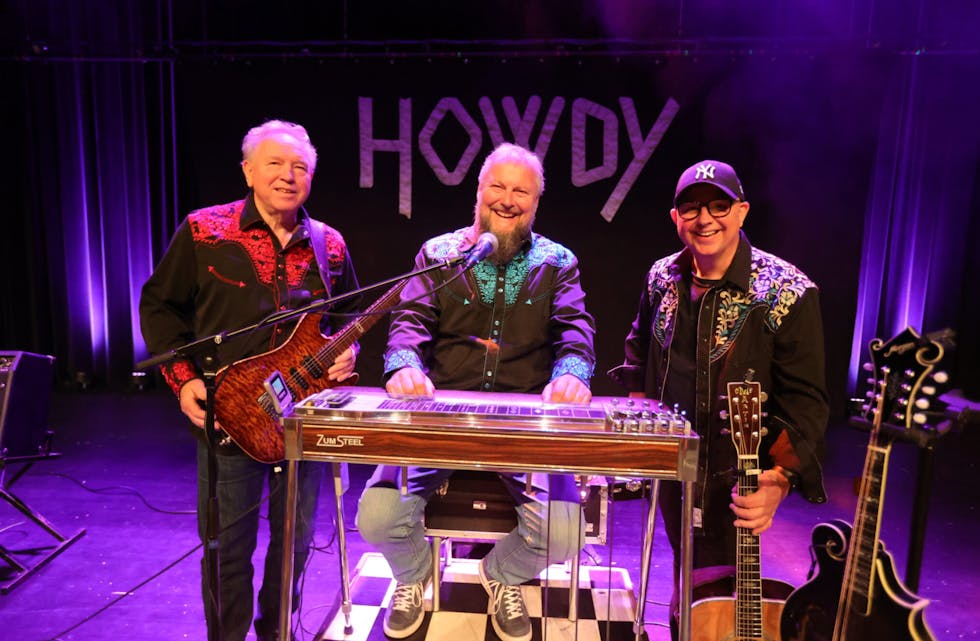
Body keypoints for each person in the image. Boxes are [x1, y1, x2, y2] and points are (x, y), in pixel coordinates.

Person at [355, 143, 596, 641]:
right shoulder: (437, 254)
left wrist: (572, 372)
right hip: (438, 418)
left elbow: (575, 330)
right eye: (498, 187)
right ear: (479, 191)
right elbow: (409, 320)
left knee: (565, 532)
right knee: (376, 519)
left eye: (521, 191)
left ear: (535, 203)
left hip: (523, 423)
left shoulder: (558, 262)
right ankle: (415, 573)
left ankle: (499, 574)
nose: (507, 200)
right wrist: (403, 366)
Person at [139, 120, 361, 641]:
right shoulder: (204, 230)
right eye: (276, 164)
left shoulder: (329, 244)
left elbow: (349, 319)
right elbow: (161, 308)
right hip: (230, 419)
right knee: (226, 548)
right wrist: (183, 379)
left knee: (296, 545)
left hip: (302, 423)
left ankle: (278, 633)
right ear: (248, 171)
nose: (289, 175)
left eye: (300, 167)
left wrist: (348, 351)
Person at [608, 159, 829, 637]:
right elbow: (638, 347)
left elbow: (807, 400)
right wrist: (640, 435)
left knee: (720, 577)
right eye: (691, 208)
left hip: (739, 470)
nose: (704, 219)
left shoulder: (786, 291)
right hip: (674, 467)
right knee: (688, 567)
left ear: (742, 211)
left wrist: (780, 478)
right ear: (675, 218)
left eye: (718, 206)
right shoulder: (660, 277)